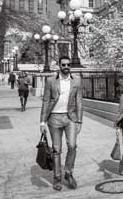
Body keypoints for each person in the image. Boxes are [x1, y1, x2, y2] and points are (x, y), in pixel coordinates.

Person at [39, 56, 83, 191]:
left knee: (72, 145)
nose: (66, 67)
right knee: (56, 150)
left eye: (68, 64)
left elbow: (79, 101)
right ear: (59, 65)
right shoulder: (50, 80)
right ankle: (57, 178)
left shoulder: (77, 80)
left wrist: (79, 120)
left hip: (70, 118)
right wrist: (42, 121)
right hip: (54, 118)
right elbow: (46, 101)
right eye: (63, 64)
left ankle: (68, 173)